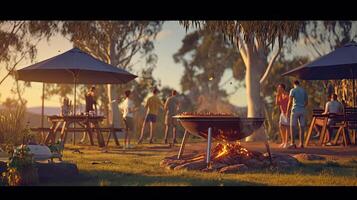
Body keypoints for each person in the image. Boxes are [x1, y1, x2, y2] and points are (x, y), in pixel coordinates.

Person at [286, 80, 308, 149]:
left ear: (294, 84)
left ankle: (293, 143)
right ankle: (301, 144)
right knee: (302, 127)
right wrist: (302, 106)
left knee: (293, 127)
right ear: (299, 84)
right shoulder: (303, 90)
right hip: (302, 110)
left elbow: (290, 101)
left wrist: (287, 111)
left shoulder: (293, 90)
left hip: (295, 110)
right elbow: (307, 101)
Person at [276, 84, 290, 148]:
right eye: (278, 88)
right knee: (281, 126)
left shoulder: (287, 94)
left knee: (287, 127)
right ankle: (283, 141)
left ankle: (286, 142)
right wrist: (277, 95)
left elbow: (290, 103)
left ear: (283, 88)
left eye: (280, 88)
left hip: (287, 113)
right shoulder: (279, 95)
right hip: (282, 113)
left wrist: (288, 112)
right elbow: (277, 104)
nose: (278, 89)